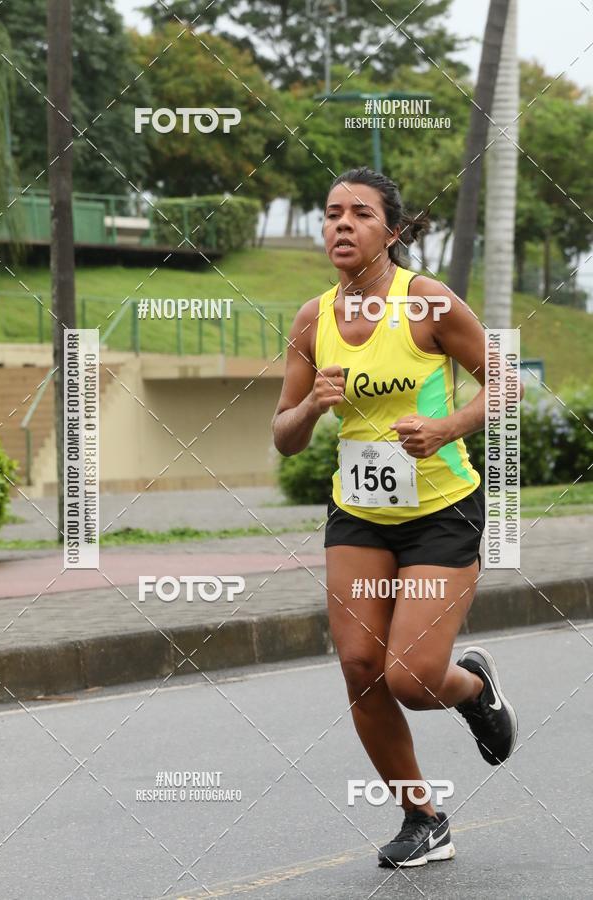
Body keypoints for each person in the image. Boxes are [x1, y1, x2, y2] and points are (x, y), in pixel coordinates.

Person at [272, 167, 520, 869]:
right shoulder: (313, 320)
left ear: (393, 231)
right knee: (359, 666)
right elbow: (283, 433)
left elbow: (505, 385)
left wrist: (446, 427)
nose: (340, 225)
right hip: (360, 514)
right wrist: (314, 407)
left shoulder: (429, 305)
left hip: (442, 510)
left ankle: (472, 690)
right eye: (330, 213)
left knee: (411, 677)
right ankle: (423, 817)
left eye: (359, 213)